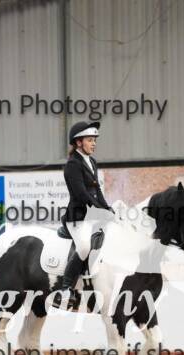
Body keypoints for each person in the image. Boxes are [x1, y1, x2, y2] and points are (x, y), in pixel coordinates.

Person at [52, 121, 113, 310]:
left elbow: (97, 191)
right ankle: (65, 289)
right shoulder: (73, 165)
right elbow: (81, 194)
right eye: (90, 140)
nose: (94, 143)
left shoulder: (92, 162)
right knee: (85, 246)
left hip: (93, 216)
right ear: (79, 142)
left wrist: (107, 208)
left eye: (94, 140)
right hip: (77, 217)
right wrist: (100, 210)